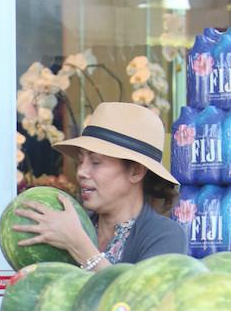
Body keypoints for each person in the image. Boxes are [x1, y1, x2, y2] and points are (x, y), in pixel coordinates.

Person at [13, 101, 188, 271]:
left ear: (135, 171)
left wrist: (78, 245)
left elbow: (140, 298)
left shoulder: (166, 236)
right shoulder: (71, 225)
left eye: (96, 162)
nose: (81, 171)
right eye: (80, 161)